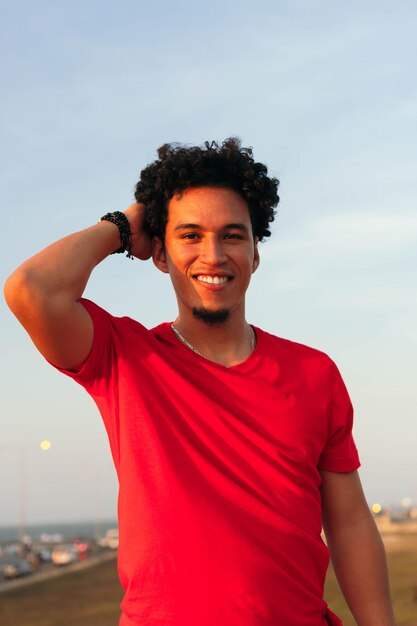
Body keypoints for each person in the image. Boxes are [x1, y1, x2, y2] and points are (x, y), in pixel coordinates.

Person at [4, 138, 396, 626]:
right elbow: (30, 290)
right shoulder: (124, 357)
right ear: (160, 253)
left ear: (255, 254)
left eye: (233, 235)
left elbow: (350, 523)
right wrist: (125, 224)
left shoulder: (314, 373)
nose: (213, 255)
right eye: (190, 235)